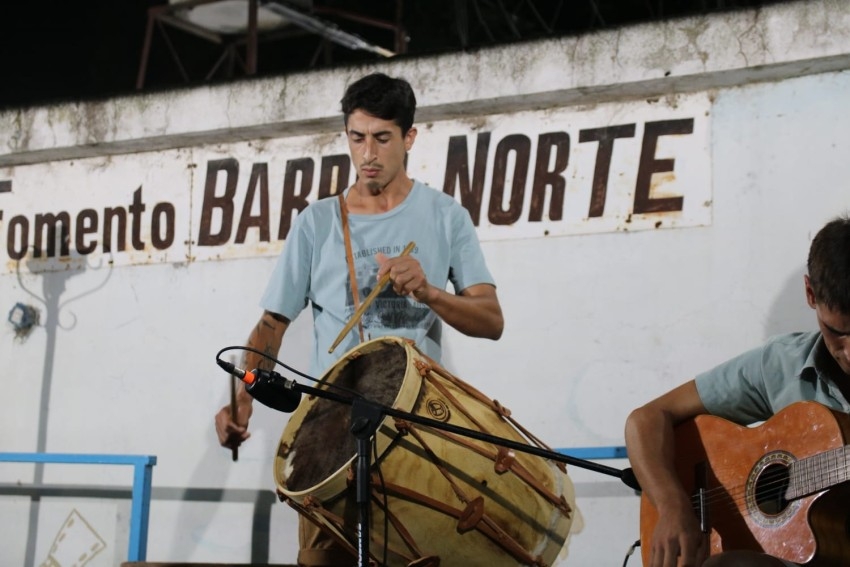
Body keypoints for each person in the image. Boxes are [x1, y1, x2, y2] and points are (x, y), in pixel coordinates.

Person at [214, 72, 504, 566]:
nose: (368, 153)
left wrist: (431, 291)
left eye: (382, 138)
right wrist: (241, 403)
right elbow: (271, 325)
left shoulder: (444, 216)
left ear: (409, 138)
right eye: (357, 137)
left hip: (417, 428)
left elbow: (490, 320)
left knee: (420, 556)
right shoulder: (317, 222)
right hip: (330, 432)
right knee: (324, 561)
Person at [624, 215, 850, 567]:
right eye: (837, 332)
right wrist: (672, 506)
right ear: (810, 293)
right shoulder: (780, 363)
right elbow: (647, 419)